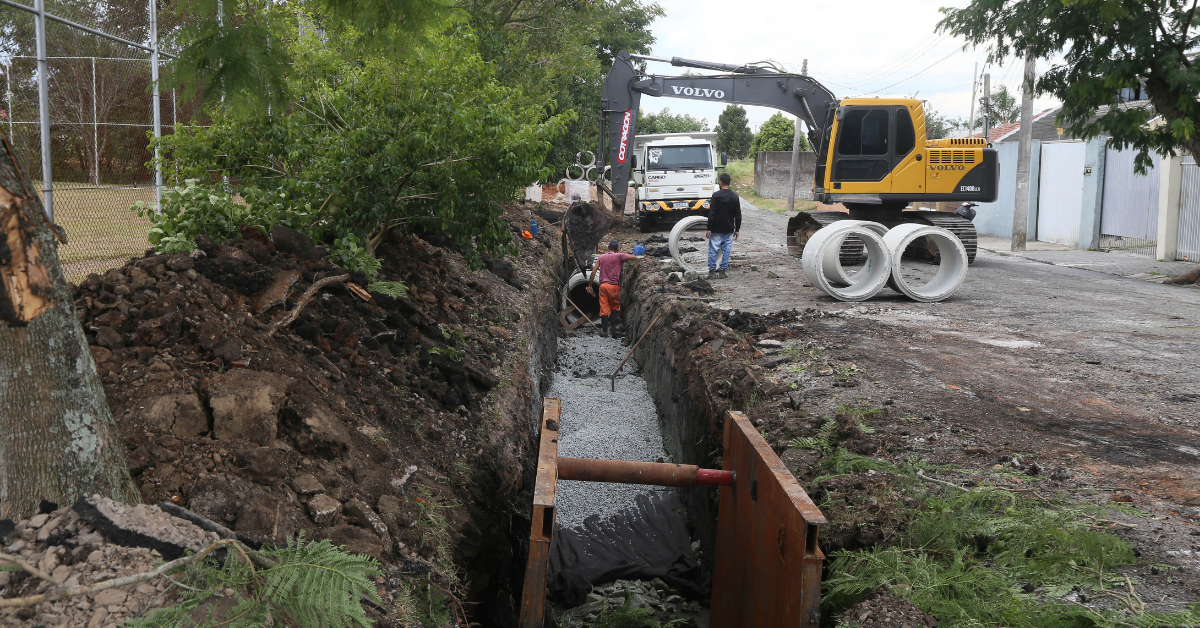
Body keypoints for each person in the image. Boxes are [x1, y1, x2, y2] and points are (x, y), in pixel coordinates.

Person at [586, 241, 637, 338]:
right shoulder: (619, 256)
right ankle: (614, 330)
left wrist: (590, 285)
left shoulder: (601, 257)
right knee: (614, 308)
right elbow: (634, 257)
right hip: (614, 287)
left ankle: (605, 332)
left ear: (608, 247)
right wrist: (626, 254)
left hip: (603, 287)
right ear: (617, 249)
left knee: (604, 308)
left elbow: (593, 271)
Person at [705, 172, 741, 280]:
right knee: (726, 250)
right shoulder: (735, 196)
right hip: (729, 228)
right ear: (729, 183)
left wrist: (709, 228)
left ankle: (711, 272)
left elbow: (712, 213)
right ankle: (722, 271)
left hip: (716, 228)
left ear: (720, 182)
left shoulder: (716, 196)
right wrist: (737, 229)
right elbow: (738, 215)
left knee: (713, 250)